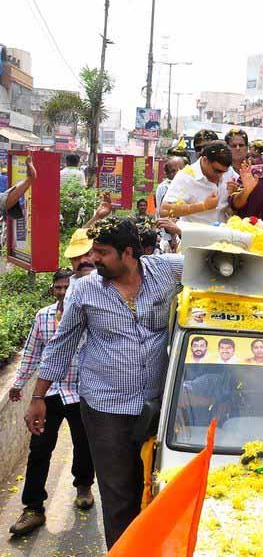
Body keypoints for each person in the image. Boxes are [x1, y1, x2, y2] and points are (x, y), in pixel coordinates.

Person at [25, 219, 184, 548]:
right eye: (93, 251)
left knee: (159, 486)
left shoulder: (167, 271)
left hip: (159, 404)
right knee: (119, 496)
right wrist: (38, 395)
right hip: (106, 408)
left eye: (102, 252)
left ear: (128, 253)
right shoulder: (84, 289)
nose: (93, 259)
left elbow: (219, 264)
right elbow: (61, 345)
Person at [8, 269, 95, 537]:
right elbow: (32, 353)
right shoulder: (43, 316)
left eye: (67, 287)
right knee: (40, 448)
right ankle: (33, 508)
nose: (62, 292)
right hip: (49, 394)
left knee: (84, 443)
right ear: (52, 290)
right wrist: (18, 384)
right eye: (57, 288)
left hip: (81, 392)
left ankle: (83, 485)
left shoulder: (89, 314)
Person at [160, 141, 235, 225]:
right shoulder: (186, 177)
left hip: (223, 236)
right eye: (217, 171)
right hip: (194, 236)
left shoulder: (230, 172)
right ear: (205, 160)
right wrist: (203, 206)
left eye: (224, 172)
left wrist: (237, 194)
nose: (221, 176)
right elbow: (164, 211)